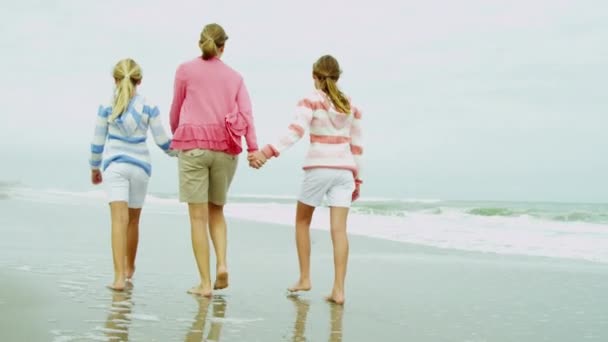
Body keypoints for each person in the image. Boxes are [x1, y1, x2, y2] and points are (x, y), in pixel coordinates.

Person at [249, 55, 363, 304]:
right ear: (337, 77)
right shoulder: (350, 105)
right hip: (345, 171)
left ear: (315, 77)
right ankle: (339, 290)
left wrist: (267, 152)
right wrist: (358, 179)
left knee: (302, 222)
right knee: (340, 231)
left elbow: (295, 132)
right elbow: (357, 146)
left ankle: (304, 278)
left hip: (319, 168)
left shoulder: (310, 101)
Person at [169, 23, 259, 297]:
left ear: (201, 43)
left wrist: (178, 134)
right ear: (223, 47)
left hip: (193, 144)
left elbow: (176, 107)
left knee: (197, 218)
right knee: (216, 212)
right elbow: (247, 114)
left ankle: (205, 284)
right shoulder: (236, 77)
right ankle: (222, 263)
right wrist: (253, 148)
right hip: (225, 149)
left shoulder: (185, 70)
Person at [90, 58, 175, 291]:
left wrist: (94, 167)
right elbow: (163, 142)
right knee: (133, 221)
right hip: (140, 169)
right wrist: (182, 151)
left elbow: (98, 142)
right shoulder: (149, 107)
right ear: (140, 81)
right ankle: (129, 269)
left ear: (115, 79)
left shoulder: (107, 106)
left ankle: (118, 278)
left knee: (118, 221)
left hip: (115, 167)